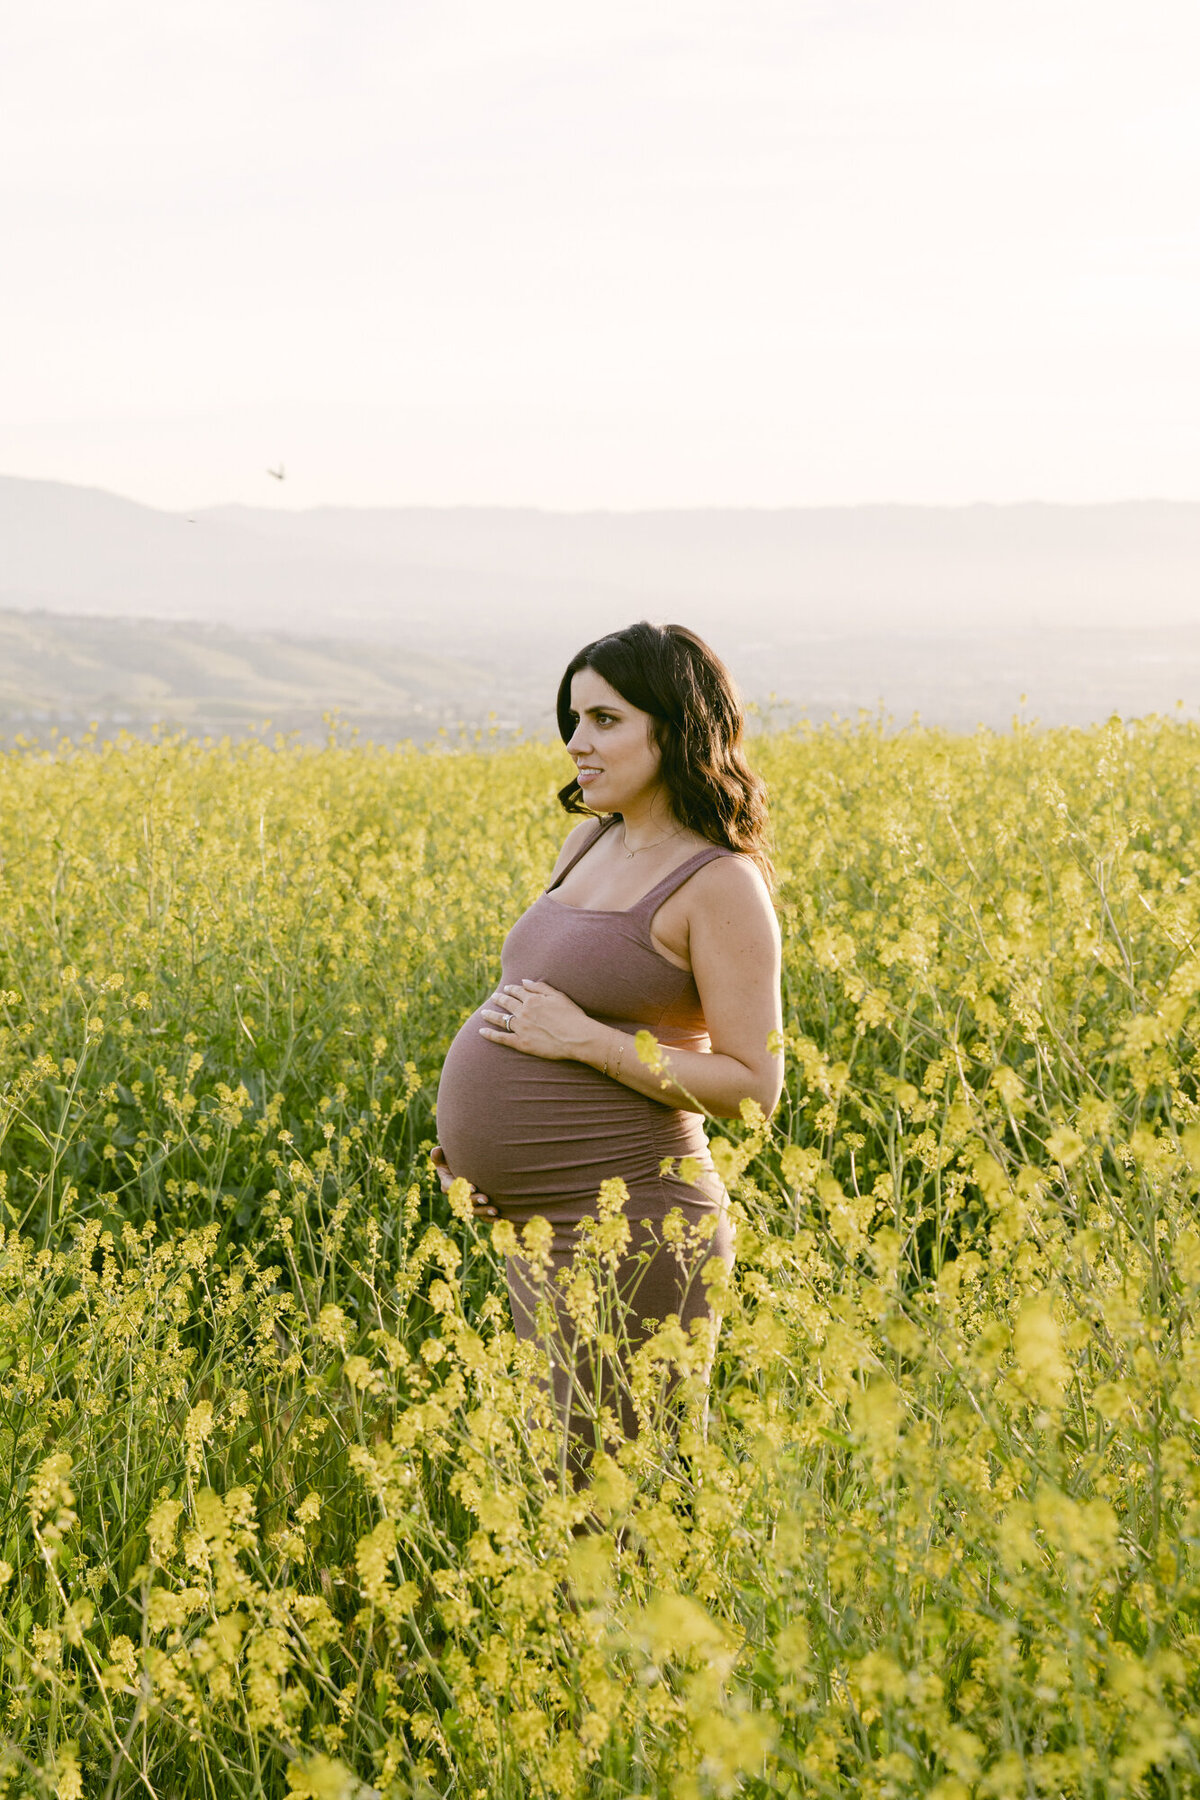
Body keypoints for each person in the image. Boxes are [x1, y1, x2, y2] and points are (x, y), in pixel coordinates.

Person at [432, 620, 783, 1480]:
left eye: (604, 719)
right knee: (555, 1486)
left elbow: (752, 1089)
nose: (575, 741)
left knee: (621, 1501)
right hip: (536, 1226)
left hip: (636, 1230)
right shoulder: (587, 840)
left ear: (677, 727)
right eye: (573, 718)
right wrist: (470, 1166)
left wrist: (587, 1043)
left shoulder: (720, 882)